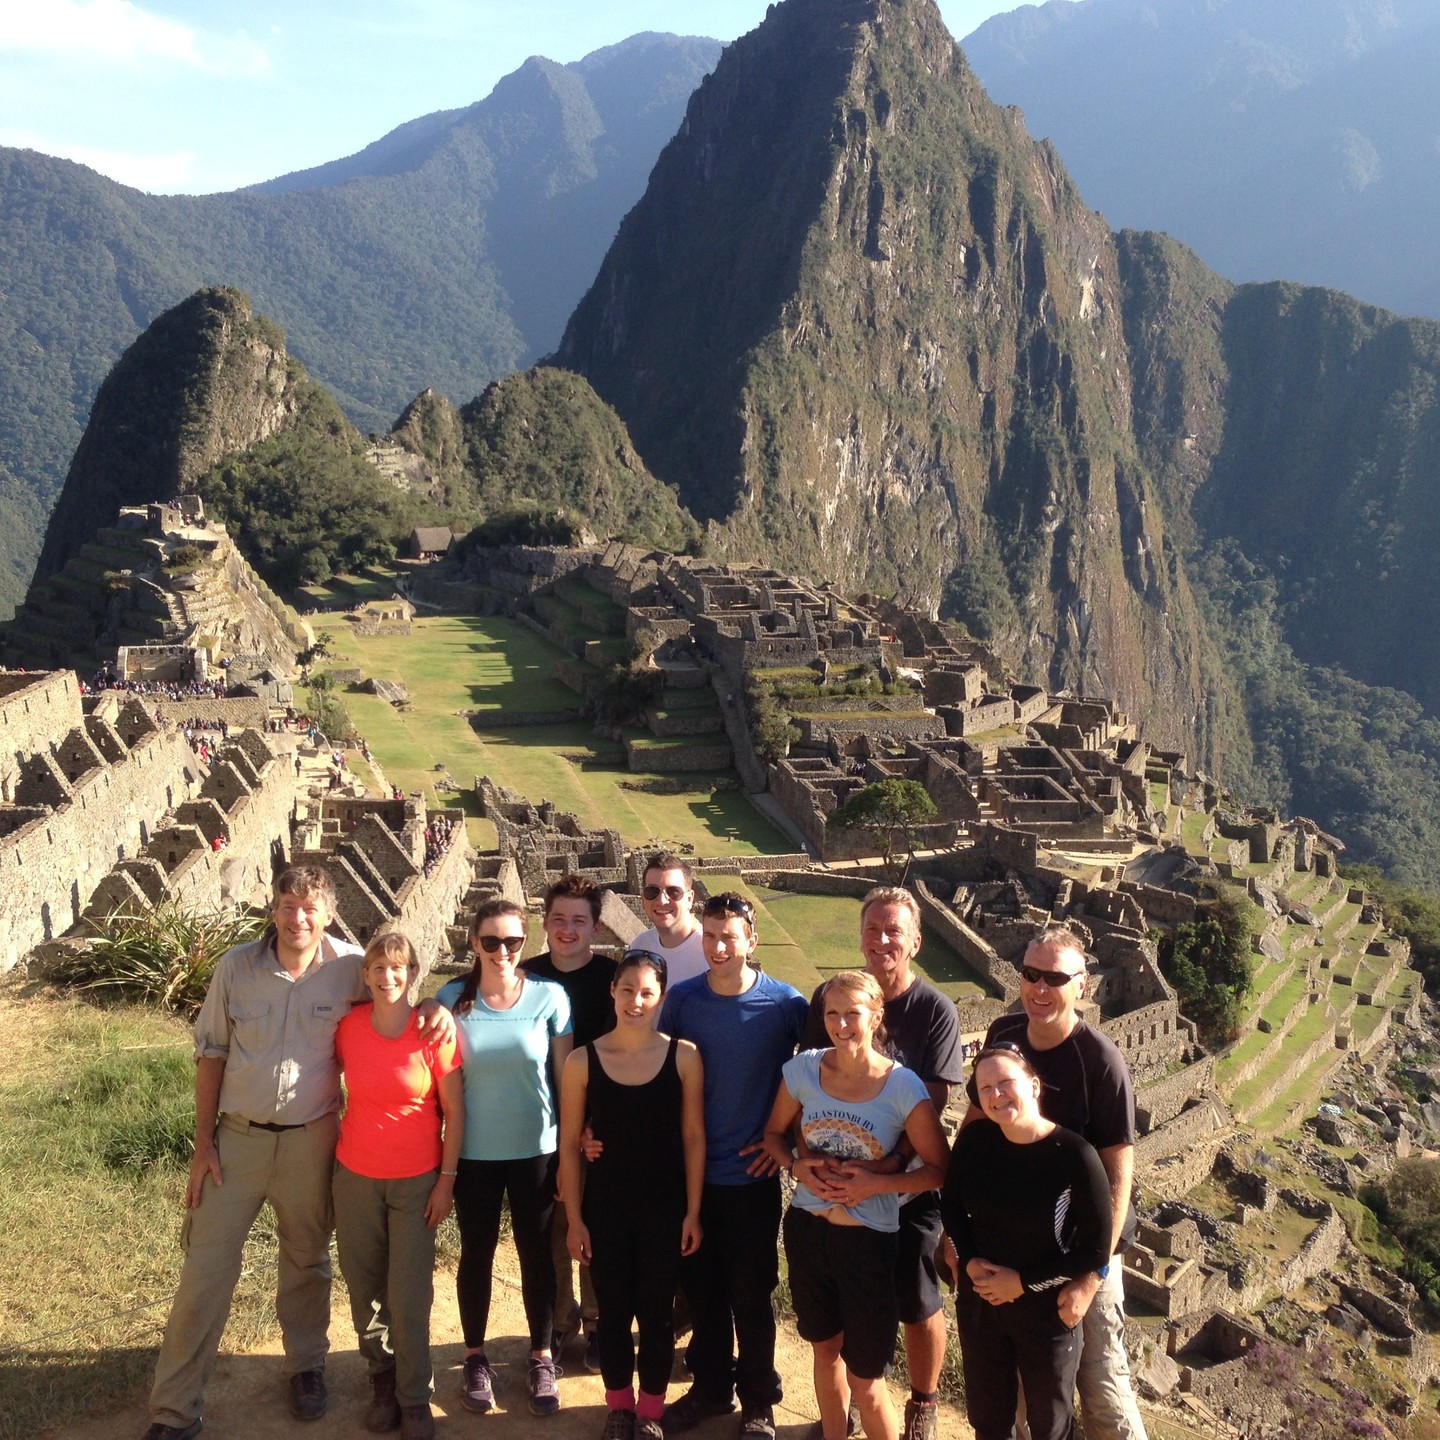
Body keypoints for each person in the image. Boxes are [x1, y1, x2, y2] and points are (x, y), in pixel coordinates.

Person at [142, 865, 455, 1440]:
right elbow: (210, 1052)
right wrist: (203, 1142)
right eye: (288, 905)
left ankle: (306, 1368)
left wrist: (437, 1002)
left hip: (313, 1139)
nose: (298, 918)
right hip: (236, 1140)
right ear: (274, 909)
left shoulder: (347, 968)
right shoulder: (237, 968)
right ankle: (175, 1409)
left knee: (307, 1262)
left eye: (310, 908)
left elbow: (396, 990)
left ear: (328, 914)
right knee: (205, 1273)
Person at [961, 928, 1147, 1440]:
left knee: (1102, 1379)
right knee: (1027, 1388)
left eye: (1056, 979)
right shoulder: (1005, 1034)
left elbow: (1117, 1176)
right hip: (1018, 1240)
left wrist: (1092, 1276)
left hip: (1087, 1246)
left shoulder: (1100, 1063)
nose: (1039, 989)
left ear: (1082, 986)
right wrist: (957, 1234)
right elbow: (974, 1132)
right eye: (1031, 974)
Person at [799, 886, 964, 1440]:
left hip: (910, 1184)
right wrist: (808, 1159)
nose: (882, 940)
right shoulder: (835, 994)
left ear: (915, 942)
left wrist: (884, 1174)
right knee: (845, 1294)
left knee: (916, 1296)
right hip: (841, 1185)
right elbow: (807, 1083)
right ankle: (846, 1407)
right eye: (873, 929)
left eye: (894, 931)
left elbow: (933, 1103)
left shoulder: (934, 1009)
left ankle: (923, 1400)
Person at [761, 972, 950, 1440]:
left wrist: (875, 1184)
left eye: (853, 1013)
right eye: (832, 1014)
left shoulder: (902, 1087)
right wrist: (794, 1166)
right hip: (808, 1231)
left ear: (876, 1016)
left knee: (866, 1380)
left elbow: (940, 1170)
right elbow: (772, 1135)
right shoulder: (804, 1069)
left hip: (867, 1245)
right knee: (824, 1354)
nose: (842, 1024)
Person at [657, 892, 808, 1440]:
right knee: (702, 1290)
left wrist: (787, 1143)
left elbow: (817, 1076)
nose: (719, 946)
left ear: (751, 939)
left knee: (751, 1292)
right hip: (692, 1175)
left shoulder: (786, 1005)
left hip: (752, 1178)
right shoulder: (682, 1002)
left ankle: (758, 1400)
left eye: (730, 936)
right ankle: (712, 1388)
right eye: (712, 935)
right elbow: (656, 1073)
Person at [558, 949, 706, 1440]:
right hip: (605, 1209)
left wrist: (694, 1212)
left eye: (647, 992)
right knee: (614, 1314)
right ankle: (619, 1408)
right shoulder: (583, 1061)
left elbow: (692, 1138)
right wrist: (575, 1219)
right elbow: (570, 1147)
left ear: (661, 996)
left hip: (664, 1210)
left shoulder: (683, 1056)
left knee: (657, 1315)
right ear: (613, 992)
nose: (636, 1001)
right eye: (627, 990)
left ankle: (650, 1413)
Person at [437, 899, 574, 1418]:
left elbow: (565, 1084)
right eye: (491, 941)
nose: (502, 951)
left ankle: (540, 1355)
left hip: (535, 1149)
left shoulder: (549, 998)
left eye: (512, 942)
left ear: (525, 944)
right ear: (474, 943)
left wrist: (567, 1157)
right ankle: (476, 1356)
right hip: (473, 1152)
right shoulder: (451, 1000)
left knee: (537, 1255)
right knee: (477, 1254)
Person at [943, 1045, 1112, 1440]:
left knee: (1049, 1427)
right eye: (985, 1088)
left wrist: (1021, 1282)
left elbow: (1096, 1250)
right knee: (988, 1421)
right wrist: (967, 1260)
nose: (996, 1095)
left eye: (1005, 1083)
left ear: (1033, 1086)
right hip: (982, 1301)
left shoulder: (1074, 1156)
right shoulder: (975, 1142)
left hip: (1045, 1312)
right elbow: (950, 1205)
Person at [333, 933, 463, 1440]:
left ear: (412, 975)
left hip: (416, 1180)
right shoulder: (348, 1028)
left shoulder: (432, 1031)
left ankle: (414, 1397)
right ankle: (381, 1380)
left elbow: (455, 1111)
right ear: (365, 975)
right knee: (365, 1290)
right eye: (379, 968)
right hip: (356, 1176)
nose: (389, 977)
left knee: (409, 1295)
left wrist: (446, 1181)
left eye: (399, 968)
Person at [524, 874, 619, 1372]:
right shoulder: (524, 976)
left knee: (596, 1222)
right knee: (552, 1229)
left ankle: (601, 1320)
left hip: (597, 1128)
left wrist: (592, 1126)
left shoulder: (612, 978)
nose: (567, 929)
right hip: (540, 1125)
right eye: (558, 919)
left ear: (595, 926)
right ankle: (559, 1321)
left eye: (578, 920)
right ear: (545, 923)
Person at [630, 851, 708, 985]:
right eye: (652, 892)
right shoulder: (639, 947)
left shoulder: (710, 954)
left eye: (673, 892)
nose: (662, 900)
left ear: (690, 899)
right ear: (643, 899)